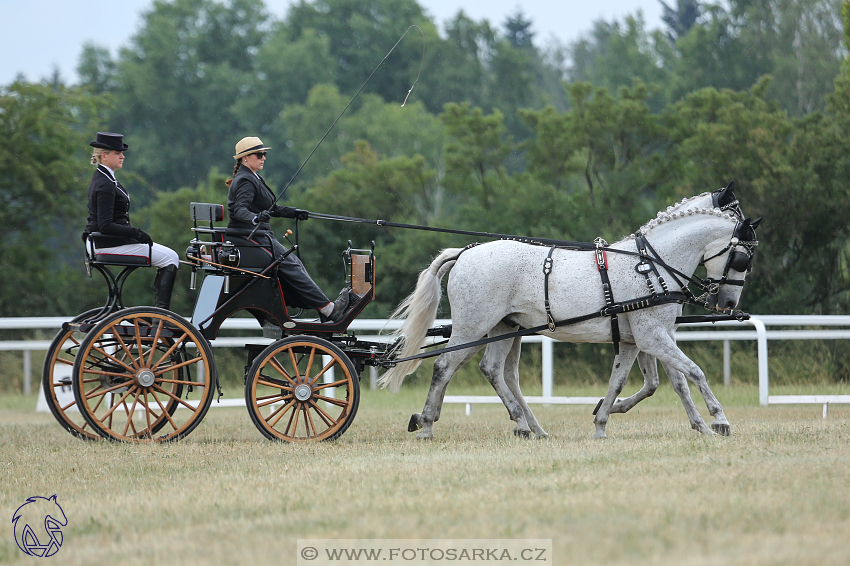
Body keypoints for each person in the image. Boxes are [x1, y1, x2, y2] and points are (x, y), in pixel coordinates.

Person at [225, 136, 352, 323]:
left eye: (264, 154)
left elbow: (271, 208)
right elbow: (240, 210)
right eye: (259, 154)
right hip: (249, 237)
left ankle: (321, 308)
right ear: (245, 158)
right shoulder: (245, 180)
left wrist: (294, 212)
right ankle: (328, 310)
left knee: (294, 263)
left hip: (258, 235)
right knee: (290, 265)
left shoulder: (252, 177)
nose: (263, 158)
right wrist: (254, 217)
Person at [82, 132, 180, 310]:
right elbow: (105, 225)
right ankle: (162, 315)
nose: (122, 156)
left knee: (169, 256)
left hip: (104, 241)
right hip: (107, 243)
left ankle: (160, 313)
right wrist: (136, 233)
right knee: (170, 258)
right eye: (117, 153)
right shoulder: (105, 184)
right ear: (104, 156)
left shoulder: (106, 178)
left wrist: (134, 235)